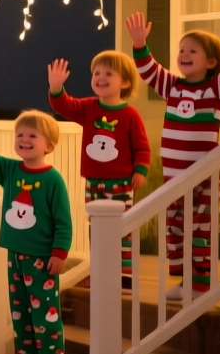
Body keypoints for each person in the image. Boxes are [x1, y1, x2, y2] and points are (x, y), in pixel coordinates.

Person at [126, 4, 220, 297]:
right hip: (173, 181)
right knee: (174, 233)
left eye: (192, 51)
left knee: (199, 232)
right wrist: (139, 44)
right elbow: (148, 69)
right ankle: (183, 282)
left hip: (202, 178)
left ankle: (199, 284)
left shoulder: (217, 87)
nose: (183, 55)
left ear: (210, 61)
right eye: (182, 51)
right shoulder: (172, 87)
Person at [0, 96, 73, 354]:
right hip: (15, 254)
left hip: (42, 258)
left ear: (48, 146)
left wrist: (60, 252)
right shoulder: (11, 171)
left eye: (32, 136)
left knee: (45, 312)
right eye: (20, 135)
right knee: (20, 309)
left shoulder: (53, 180)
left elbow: (63, 220)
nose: (24, 140)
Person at [47, 52, 149, 290]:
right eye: (96, 73)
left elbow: (142, 146)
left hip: (122, 183)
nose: (100, 77)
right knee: (96, 230)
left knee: (122, 230)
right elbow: (63, 105)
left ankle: (124, 277)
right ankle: (101, 272)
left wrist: (140, 170)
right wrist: (56, 87)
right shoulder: (88, 108)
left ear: (124, 82)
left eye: (108, 74)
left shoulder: (130, 114)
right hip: (94, 183)